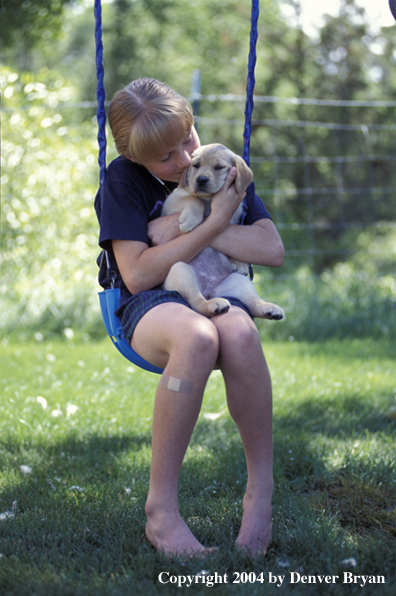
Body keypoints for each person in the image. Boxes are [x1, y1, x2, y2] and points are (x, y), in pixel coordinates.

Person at [95, 78, 284, 557]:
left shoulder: (223, 167)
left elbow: (270, 249)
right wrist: (218, 219)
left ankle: (260, 493)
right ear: (137, 159)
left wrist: (196, 228)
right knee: (198, 338)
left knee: (240, 334)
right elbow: (138, 274)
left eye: (189, 141)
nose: (184, 162)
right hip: (147, 305)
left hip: (216, 288)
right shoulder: (122, 179)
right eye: (166, 157)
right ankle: (161, 512)